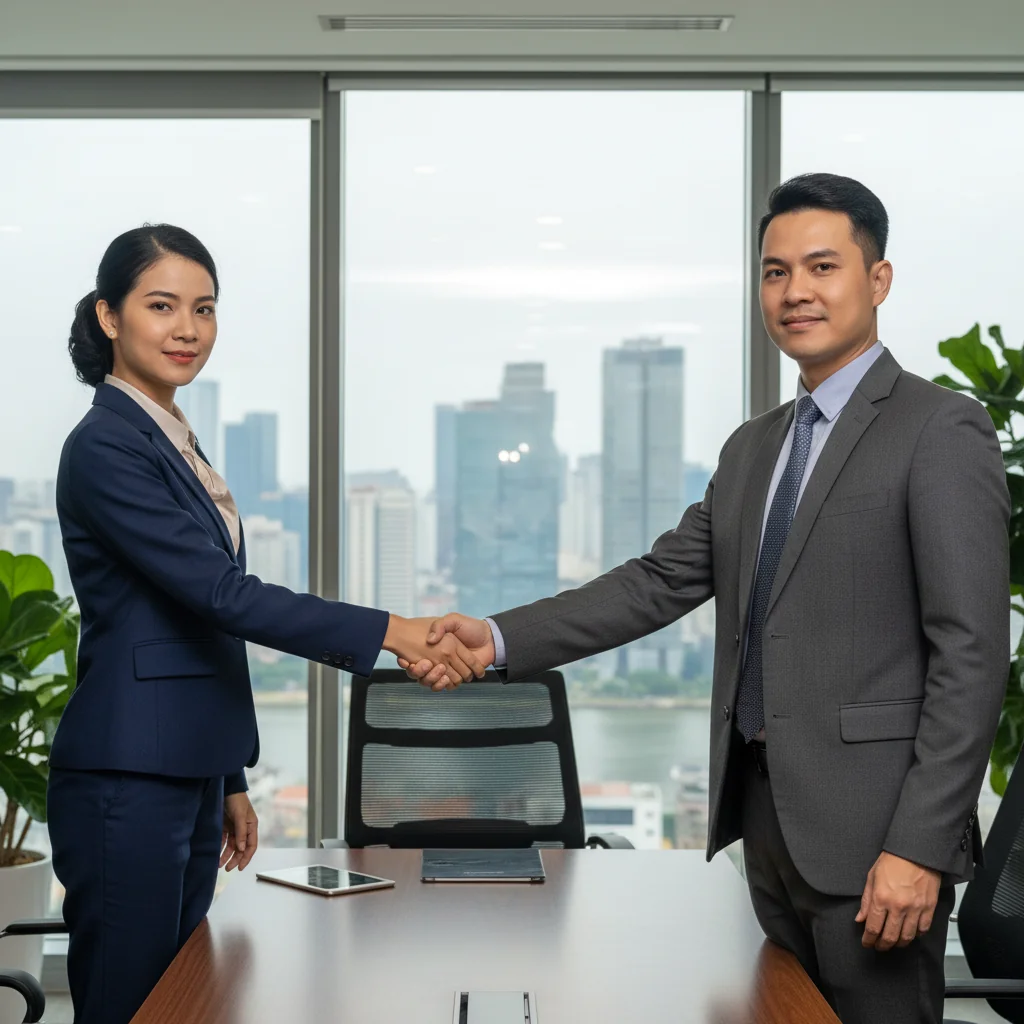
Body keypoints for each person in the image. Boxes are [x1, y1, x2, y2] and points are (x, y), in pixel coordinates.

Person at [403, 173, 1010, 1023]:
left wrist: (918, 846)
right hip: (766, 829)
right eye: (773, 272)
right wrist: (495, 638)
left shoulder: (938, 428)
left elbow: (973, 656)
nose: (794, 291)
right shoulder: (755, 446)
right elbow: (657, 583)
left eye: (822, 267)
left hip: (876, 839)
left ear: (878, 280)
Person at [48, 223, 484, 1024]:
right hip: (126, 782)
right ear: (110, 316)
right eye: (162, 305)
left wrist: (227, 779)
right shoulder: (107, 445)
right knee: (129, 1009)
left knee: (182, 1003)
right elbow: (221, 595)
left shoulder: (171, 441)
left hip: (178, 774)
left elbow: (186, 630)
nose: (188, 328)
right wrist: (394, 630)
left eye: (205, 308)